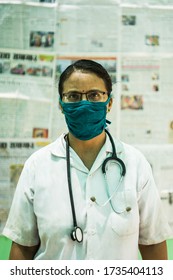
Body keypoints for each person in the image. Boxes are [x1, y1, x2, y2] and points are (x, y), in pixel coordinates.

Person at [3, 59, 172, 260]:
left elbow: (153, 244)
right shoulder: (37, 165)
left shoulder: (135, 163)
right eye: (73, 96)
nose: (84, 104)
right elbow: (23, 246)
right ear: (61, 104)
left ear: (109, 103)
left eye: (94, 95)